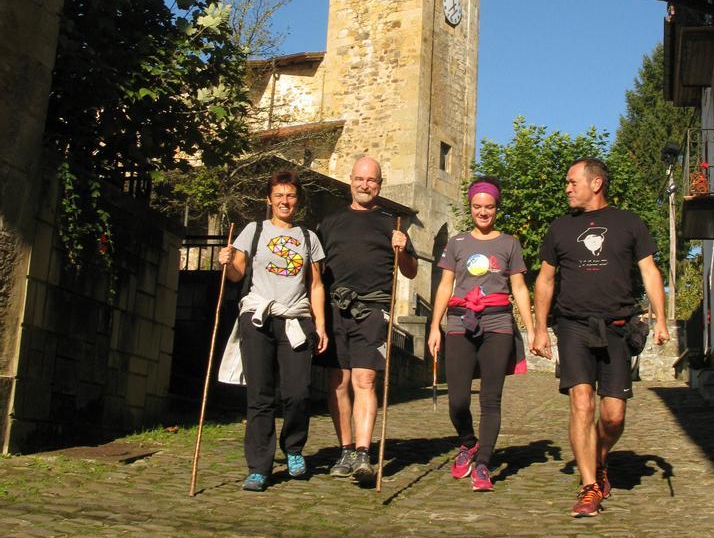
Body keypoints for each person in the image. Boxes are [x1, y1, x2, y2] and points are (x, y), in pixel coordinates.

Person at [532, 157, 669, 518]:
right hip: (574, 325)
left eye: (572, 181)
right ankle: (590, 485)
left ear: (596, 184)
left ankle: (599, 454)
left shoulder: (629, 223)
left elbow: (650, 272)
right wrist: (539, 327)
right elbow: (545, 280)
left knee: (613, 416)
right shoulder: (560, 228)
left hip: (618, 327)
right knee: (581, 402)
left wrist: (661, 320)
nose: (567, 188)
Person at [217, 170, 327, 492]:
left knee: (298, 393)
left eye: (290, 195)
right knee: (260, 396)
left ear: (298, 200)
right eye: (279, 195)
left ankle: (293, 448)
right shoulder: (253, 231)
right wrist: (226, 261)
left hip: (295, 318)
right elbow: (237, 274)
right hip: (258, 318)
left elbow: (316, 285)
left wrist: (320, 325)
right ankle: (259, 467)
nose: (284, 201)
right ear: (269, 199)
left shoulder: (309, 238)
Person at [428, 177, 534, 492]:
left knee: (491, 398)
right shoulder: (457, 243)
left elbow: (519, 288)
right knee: (457, 400)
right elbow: (445, 285)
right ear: (471, 207)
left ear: (496, 208)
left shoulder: (509, 243)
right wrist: (435, 326)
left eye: (489, 207)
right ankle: (468, 442)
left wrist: (531, 329)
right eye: (477, 207)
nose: (483, 212)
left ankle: (484, 463)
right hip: (461, 322)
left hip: (497, 323)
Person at [318, 156, 418, 484]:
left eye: (371, 180)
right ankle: (345, 449)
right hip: (334, 310)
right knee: (337, 382)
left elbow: (411, 271)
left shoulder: (393, 224)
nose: (365, 185)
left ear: (379, 184)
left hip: (373, 309)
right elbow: (315, 272)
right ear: (351, 180)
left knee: (365, 380)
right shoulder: (329, 223)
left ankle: (363, 452)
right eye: (360, 179)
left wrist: (402, 251)